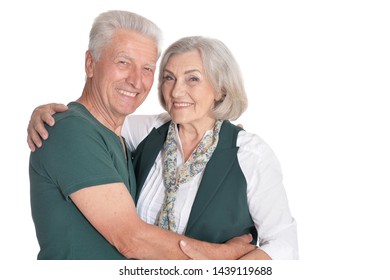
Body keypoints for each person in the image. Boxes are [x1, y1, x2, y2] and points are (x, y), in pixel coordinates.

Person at [28, 34, 298, 259]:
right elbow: (93, 121)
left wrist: (232, 269)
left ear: (220, 89)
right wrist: (48, 114)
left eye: (193, 79)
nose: (177, 91)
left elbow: (284, 245)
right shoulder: (146, 131)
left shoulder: (250, 154)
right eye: (169, 78)